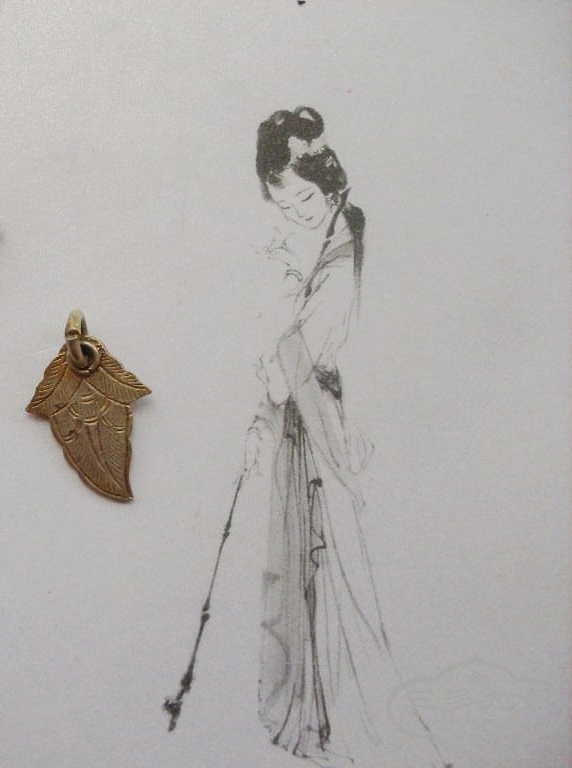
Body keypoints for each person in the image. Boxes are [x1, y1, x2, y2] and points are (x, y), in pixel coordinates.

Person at [245, 107, 449, 768]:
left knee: (339, 560)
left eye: (304, 200)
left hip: (334, 421)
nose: (295, 214)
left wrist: (281, 364)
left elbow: (318, 346)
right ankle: (307, 710)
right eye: (283, 205)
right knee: (298, 557)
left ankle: (344, 714)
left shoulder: (349, 241)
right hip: (306, 419)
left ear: (329, 183)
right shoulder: (307, 239)